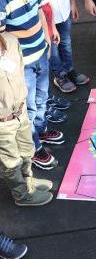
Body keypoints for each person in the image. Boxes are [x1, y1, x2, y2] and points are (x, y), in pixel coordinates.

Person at [0, 0, 64, 171]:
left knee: (41, 98)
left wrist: (47, 39)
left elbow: (39, 13)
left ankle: (41, 129)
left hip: (40, 55)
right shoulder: (1, 0)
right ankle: (33, 147)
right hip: (21, 65)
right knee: (26, 107)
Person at [19, 0, 68, 125]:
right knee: (29, 84)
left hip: (44, 27)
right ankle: (38, 114)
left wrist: (52, 27)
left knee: (44, 69)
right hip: (26, 39)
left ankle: (45, 102)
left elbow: (44, 6)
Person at [0, 31, 53, 207]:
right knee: (10, 162)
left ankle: (27, 180)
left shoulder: (11, 41)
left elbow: (20, 71)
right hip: (2, 122)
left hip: (20, 111)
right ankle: (22, 195)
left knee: (26, 149)